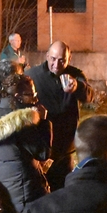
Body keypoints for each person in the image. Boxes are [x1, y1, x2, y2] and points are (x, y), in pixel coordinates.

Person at [0, 72, 52, 213]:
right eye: (30, 94)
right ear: (17, 96)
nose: (36, 99)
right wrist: (44, 122)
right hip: (26, 192)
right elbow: (43, 152)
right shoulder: (21, 121)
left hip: (1, 188)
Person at [25, 41, 92, 190]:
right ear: (47, 56)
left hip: (65, 148)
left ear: (69, 58)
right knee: (41, 192)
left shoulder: (75, 75)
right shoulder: (32, 76)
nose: (57, 64)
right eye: (53, 59)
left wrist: (77, 86)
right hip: (41, 149)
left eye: (62, 60)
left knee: (65, 191)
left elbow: (89, 96)